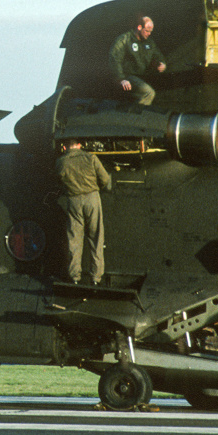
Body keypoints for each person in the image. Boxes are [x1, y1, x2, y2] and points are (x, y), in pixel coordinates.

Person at [55, 139, 112, 285]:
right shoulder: (91, 158)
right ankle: (96, 277)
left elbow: (57, 182)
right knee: (96, 238)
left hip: (73, 200)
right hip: (92, 199)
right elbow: (105, 180)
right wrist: (107, 187)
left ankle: (74, 277)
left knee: (74, 239)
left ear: (65, 146)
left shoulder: (61, 162)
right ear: (80, 145)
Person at [107, 15, 166, 105]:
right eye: (147, 31)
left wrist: (162, 64)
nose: (149, 33)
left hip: (143, 76)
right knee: (148, 93)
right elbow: (115, 59)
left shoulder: (149, 42)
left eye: (151, 31)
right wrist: (121, 79)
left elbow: (157, 55)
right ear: (139, 27)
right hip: (127, 76)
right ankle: (136, 116)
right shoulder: (124, 39)